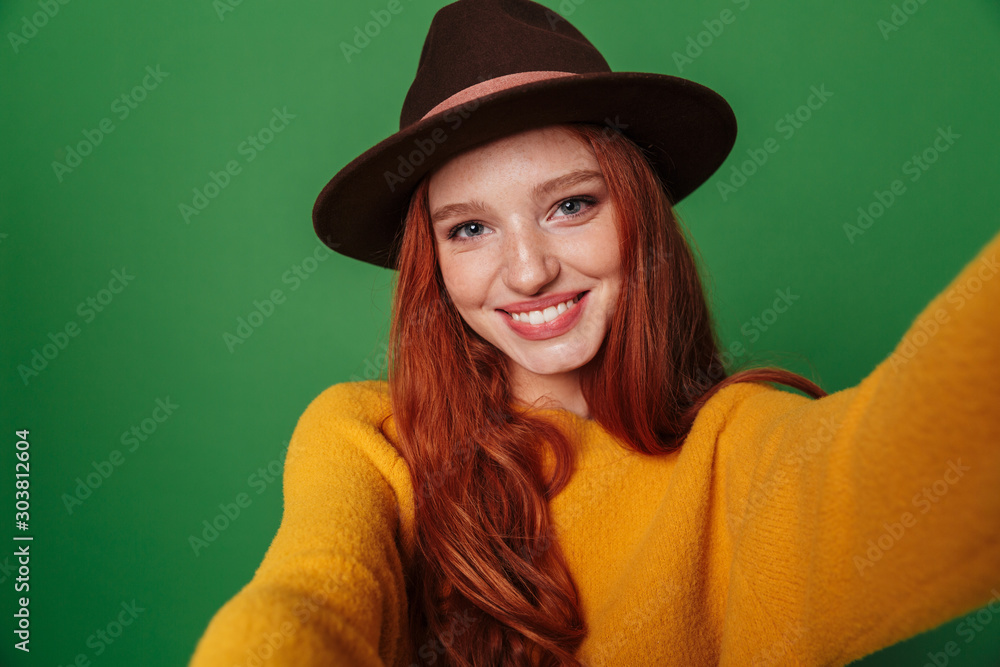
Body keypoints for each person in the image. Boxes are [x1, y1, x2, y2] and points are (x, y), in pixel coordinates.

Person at [189, 0, 1000, 665]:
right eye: (469, 229)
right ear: (430, 261)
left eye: (571, 204)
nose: (528, 270)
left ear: (636, 214)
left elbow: (920, 459)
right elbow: (310, 600)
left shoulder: (734, 449)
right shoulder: (368, 439)